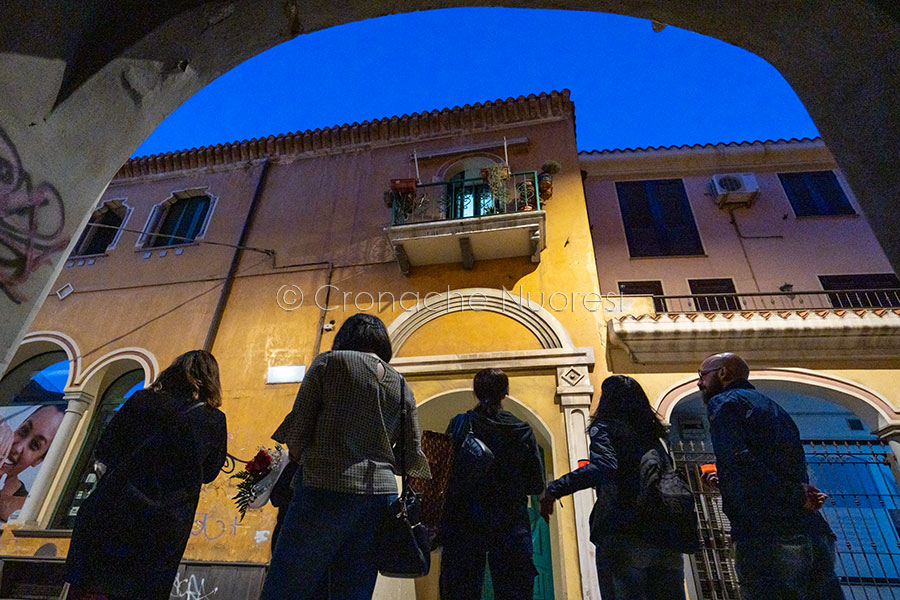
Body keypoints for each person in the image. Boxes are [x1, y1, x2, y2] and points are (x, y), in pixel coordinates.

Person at [261, 313, 430, 600]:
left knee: (289, 585)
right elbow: (411, 456)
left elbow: (297, 433)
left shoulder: (329, 363)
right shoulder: (402, 385)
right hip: (379, 500)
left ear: (345, 339)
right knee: (353, 590)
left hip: (322, 490)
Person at [65, 350, 228, 600]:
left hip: (114, 512)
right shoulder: (213, 419)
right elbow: (210, 473)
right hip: (163, 528)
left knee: (92, 589)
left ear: (173, 372)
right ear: (212, 380)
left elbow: (106, 448)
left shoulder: (141, 400)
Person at [696, 352, 844, 599]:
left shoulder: (725, 402)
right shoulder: (772, 407)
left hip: (767, 533)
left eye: (702, 375)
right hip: (813, 533)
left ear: (722, 373)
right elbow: (773, 464)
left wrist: (792, 494)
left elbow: (738, 459)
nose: (699, 383)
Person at [539, 375, 686, 600]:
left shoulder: (605, 427)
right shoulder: (654, 435)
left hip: (623, 531)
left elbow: (604, 467)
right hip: (665, 534)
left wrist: (555, 488)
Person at [440, 368, 545, 600]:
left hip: (465, 522)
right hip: (509, 523)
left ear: (476, 394)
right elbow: (535, 484)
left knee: (460, 591)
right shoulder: (522, 430)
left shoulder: (459, 424)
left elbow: (444, 473)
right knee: (514, 592)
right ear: (505, 394)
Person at [0, 404, 65, 522]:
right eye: (24, 431)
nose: (17, 448)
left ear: (39, 460)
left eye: (35, 446)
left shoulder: (25, 512)